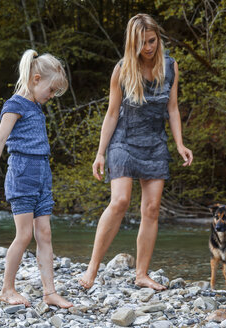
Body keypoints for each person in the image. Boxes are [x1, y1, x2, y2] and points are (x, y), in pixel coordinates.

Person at [79, 14, 193, 291]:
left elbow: (173, 108)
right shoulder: (122, 69)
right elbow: (112, 113)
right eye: (142, 43)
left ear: (158, 38)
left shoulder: (171, 67)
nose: (148, 47)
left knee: (152, 209)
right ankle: (91, 269)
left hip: (155, 143)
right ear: (133, 43)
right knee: (119, 202)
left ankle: (141, 274)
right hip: (124, 141)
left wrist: (179, 143)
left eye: (152, 41)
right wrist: (100, 153)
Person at [0, 49, 73, 308]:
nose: (52, 96)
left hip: (42, 174)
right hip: (22, 174)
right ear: (36, 79)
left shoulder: (36, 106)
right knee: (24, 235)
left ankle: (50, 292)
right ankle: (7, 289)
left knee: (44, 233)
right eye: (51, 90)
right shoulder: (15, 104)